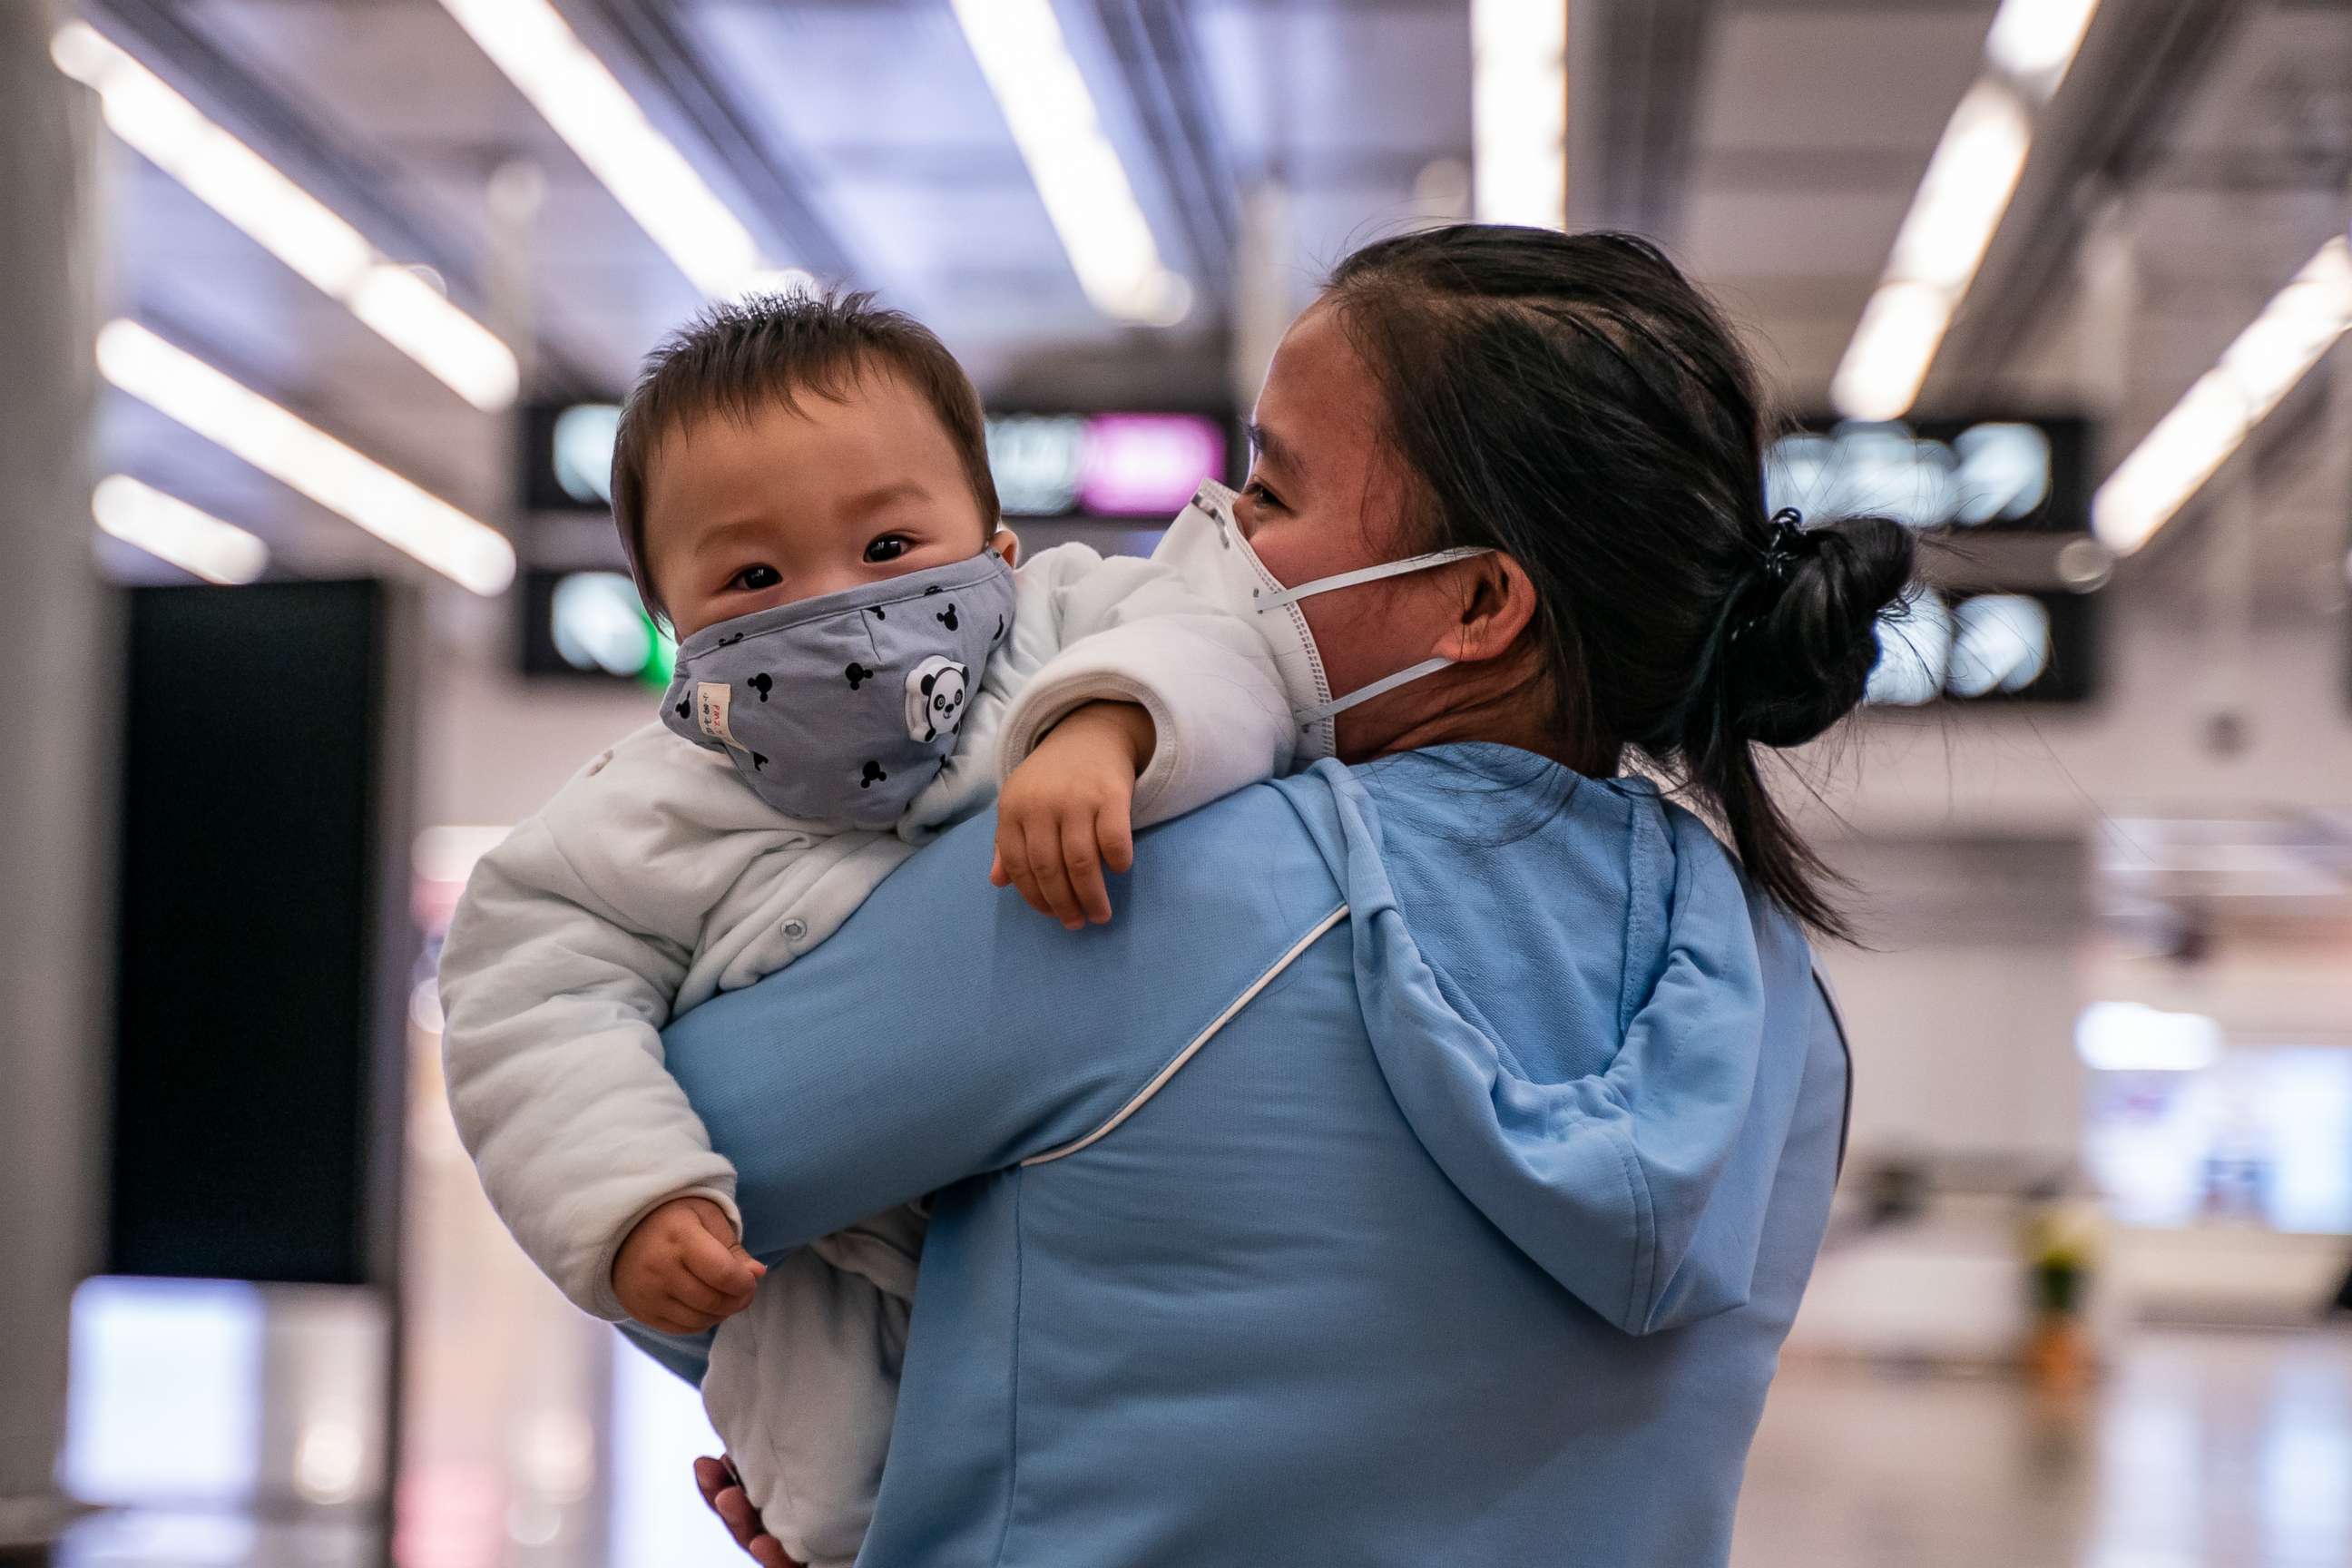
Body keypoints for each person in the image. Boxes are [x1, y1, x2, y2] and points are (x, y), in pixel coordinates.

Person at [654, 225, 1915, 1567]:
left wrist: (851, 1447)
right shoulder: (1783, 1003)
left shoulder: (1150, 886)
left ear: (1480, 604)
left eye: (1269, 494)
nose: (1214, 539)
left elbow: (648, 1157)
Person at [438, 293, 1297, 1567]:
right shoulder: (648, 806)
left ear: (999, 549)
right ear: (675, 631)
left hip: (1121, 1259)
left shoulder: (1070, 630)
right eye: (753, 577)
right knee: (842, 1502)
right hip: (839, 1322)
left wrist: (1109, 723)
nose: (835, 604)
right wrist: (627, 1198)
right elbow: (526, 993)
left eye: (890, 543)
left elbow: (1226, 644)